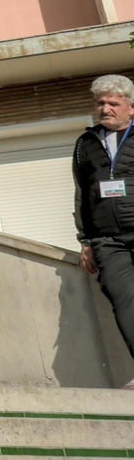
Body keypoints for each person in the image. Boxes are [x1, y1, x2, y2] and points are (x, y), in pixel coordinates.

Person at [73, 74, 134, 385]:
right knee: (125, 303)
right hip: (109, 241)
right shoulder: (86, 143)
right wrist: (86, 241)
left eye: (113, 102)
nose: (105, 108)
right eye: (100, 103)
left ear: (131, 107)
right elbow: (82, 193)